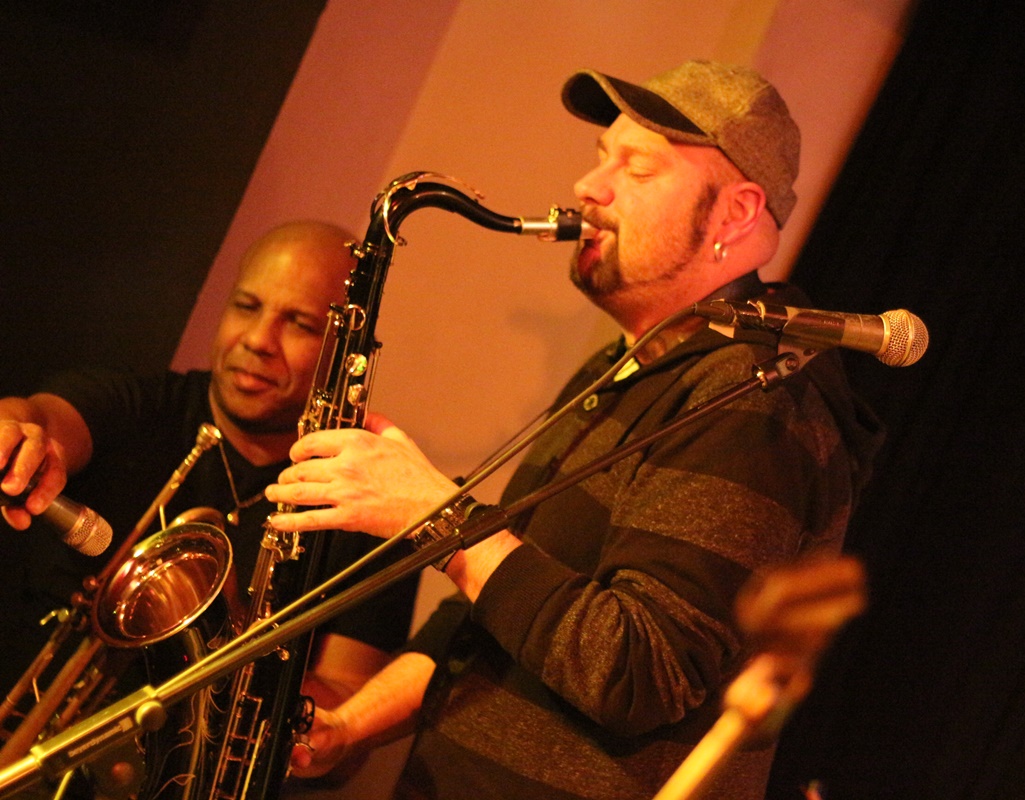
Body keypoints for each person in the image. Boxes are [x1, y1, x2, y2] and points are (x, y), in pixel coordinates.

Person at [268, 61, 884, 800]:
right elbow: (500, 613)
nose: (590, 187)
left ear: (735, 214)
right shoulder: (627, 366)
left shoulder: (755, 399)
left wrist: (440, 521)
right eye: (600, 157)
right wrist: (348, 727)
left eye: (637, 167)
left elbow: (639, 674)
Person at [0, 221, 418, 791]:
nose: (258, 340)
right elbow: (42, 419)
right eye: (246, 306)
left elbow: (344, 722)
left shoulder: (369, 505)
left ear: (344, 354)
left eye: (299, 323)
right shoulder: (139, 404)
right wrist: (17, 432)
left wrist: (247, 669)